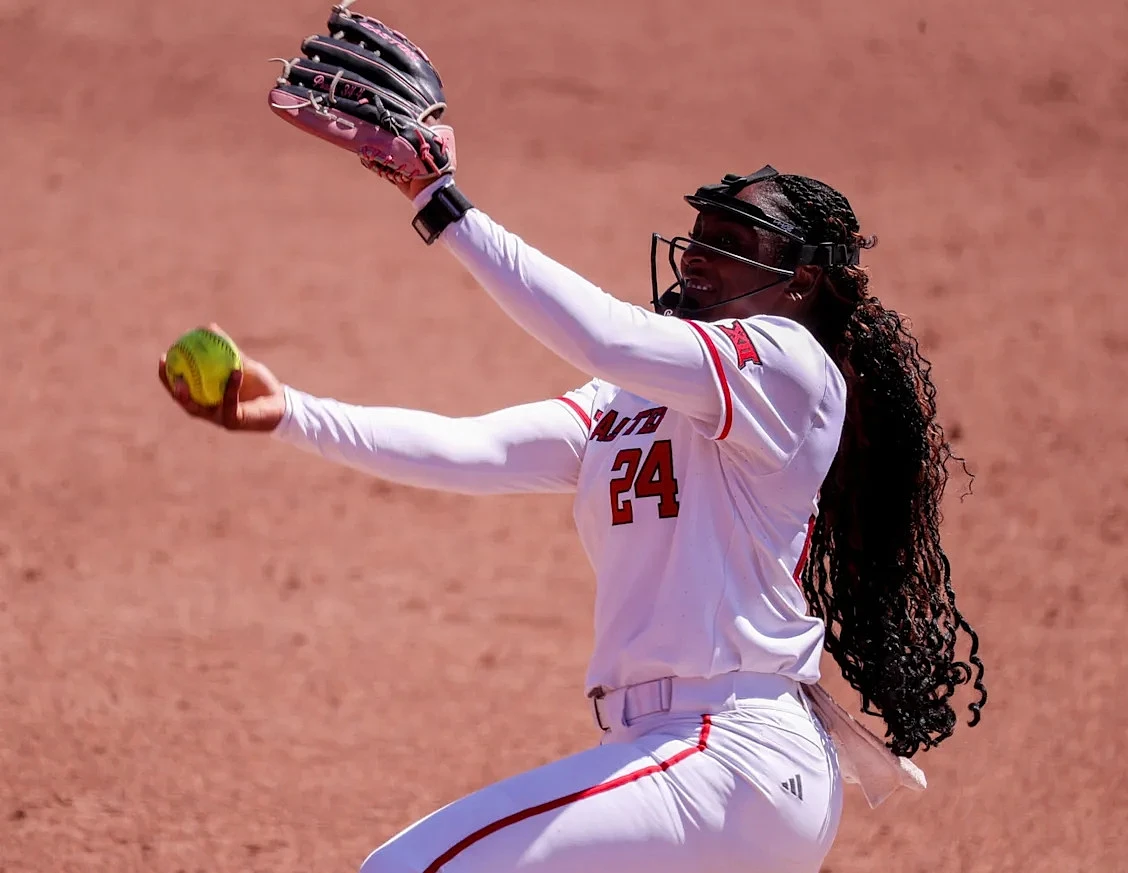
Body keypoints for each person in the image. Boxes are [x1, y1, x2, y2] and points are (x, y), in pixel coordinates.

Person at [159, 8, 987, 873]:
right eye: (698, 238)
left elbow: (605, 334)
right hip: (681, 760)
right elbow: (475, 449)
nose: (696, 257)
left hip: (729, 752)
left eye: (731, 244)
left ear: (801, 281)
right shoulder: (627, 401)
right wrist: (292, 411)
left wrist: (439, 200)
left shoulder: (788, 366)